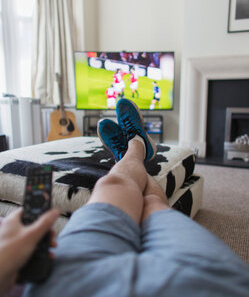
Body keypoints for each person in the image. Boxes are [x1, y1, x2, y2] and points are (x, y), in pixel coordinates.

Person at [1, 98, 249, 297]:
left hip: (69, 279)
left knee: (114, 183)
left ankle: (129, 154)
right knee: (153, 203)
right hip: (209, 282)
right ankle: (137, 145)